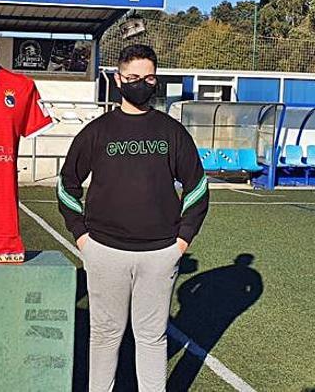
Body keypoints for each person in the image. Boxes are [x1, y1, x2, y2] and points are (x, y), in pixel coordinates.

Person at [57, 44, 209, 391]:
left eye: (149, 77)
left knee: (152, 337)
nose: (142, 84)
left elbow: (197, 187)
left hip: (160, 254)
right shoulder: (97, 131)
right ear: (117, 79)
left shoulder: (172, 132)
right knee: (105, 335)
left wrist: (182, 239)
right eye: (133, 77)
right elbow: (67, 184)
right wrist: (82, 236)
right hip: (104, 251)